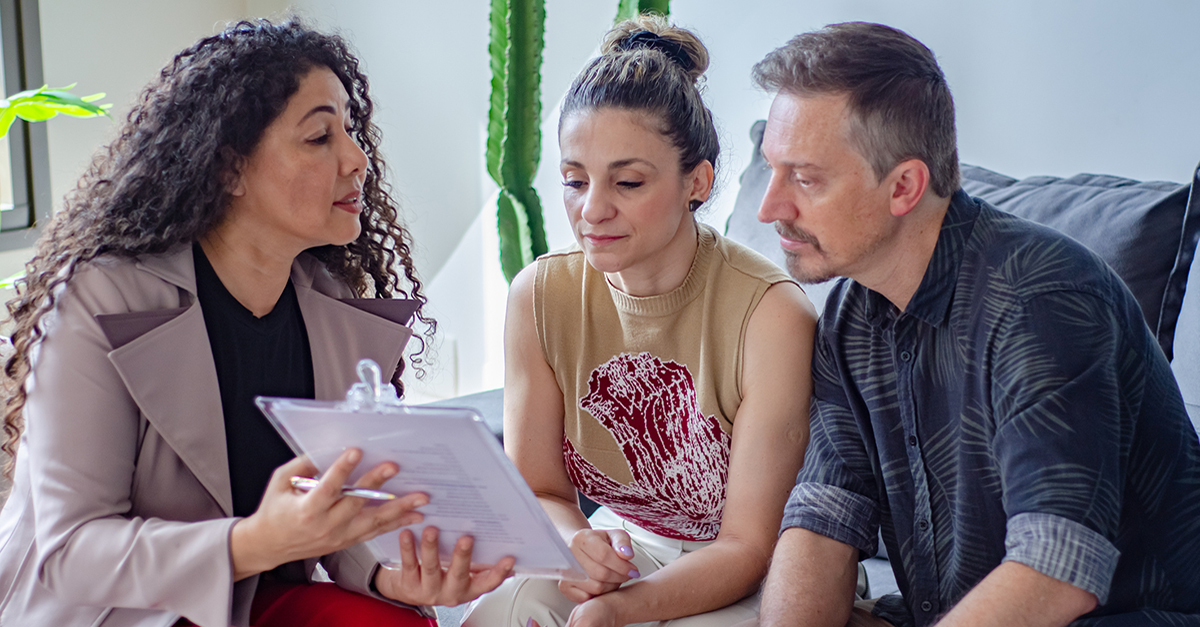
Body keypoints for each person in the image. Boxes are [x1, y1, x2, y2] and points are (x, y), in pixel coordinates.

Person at [0, 19, 513, 627]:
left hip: (252, 597)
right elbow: (72, 553)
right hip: (118, 612)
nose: (358, 158)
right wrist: (253, 543)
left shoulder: (330, 304)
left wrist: (387, 575)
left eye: (350, 130)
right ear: (228, 168)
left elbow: (331, 512)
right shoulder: (101, 298)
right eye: (320, 136)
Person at [744, 22, 1200, 627]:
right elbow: (824, 515)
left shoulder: (1043, 300)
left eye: (804, 178)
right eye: (773, 170)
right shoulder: (850, 318)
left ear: (904, 186)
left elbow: (1055, 572)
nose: (768, 207)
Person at [461, 15, 816, 627]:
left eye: (627, 181)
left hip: (751, 574)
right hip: (632, 544)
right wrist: (578, 546)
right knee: (505, 606)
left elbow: (748, 546)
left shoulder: (771, 313)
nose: (592, 209)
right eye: (574, 181)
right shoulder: (541, 295)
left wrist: (619, 611)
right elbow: (541, 492)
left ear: (697, 182)